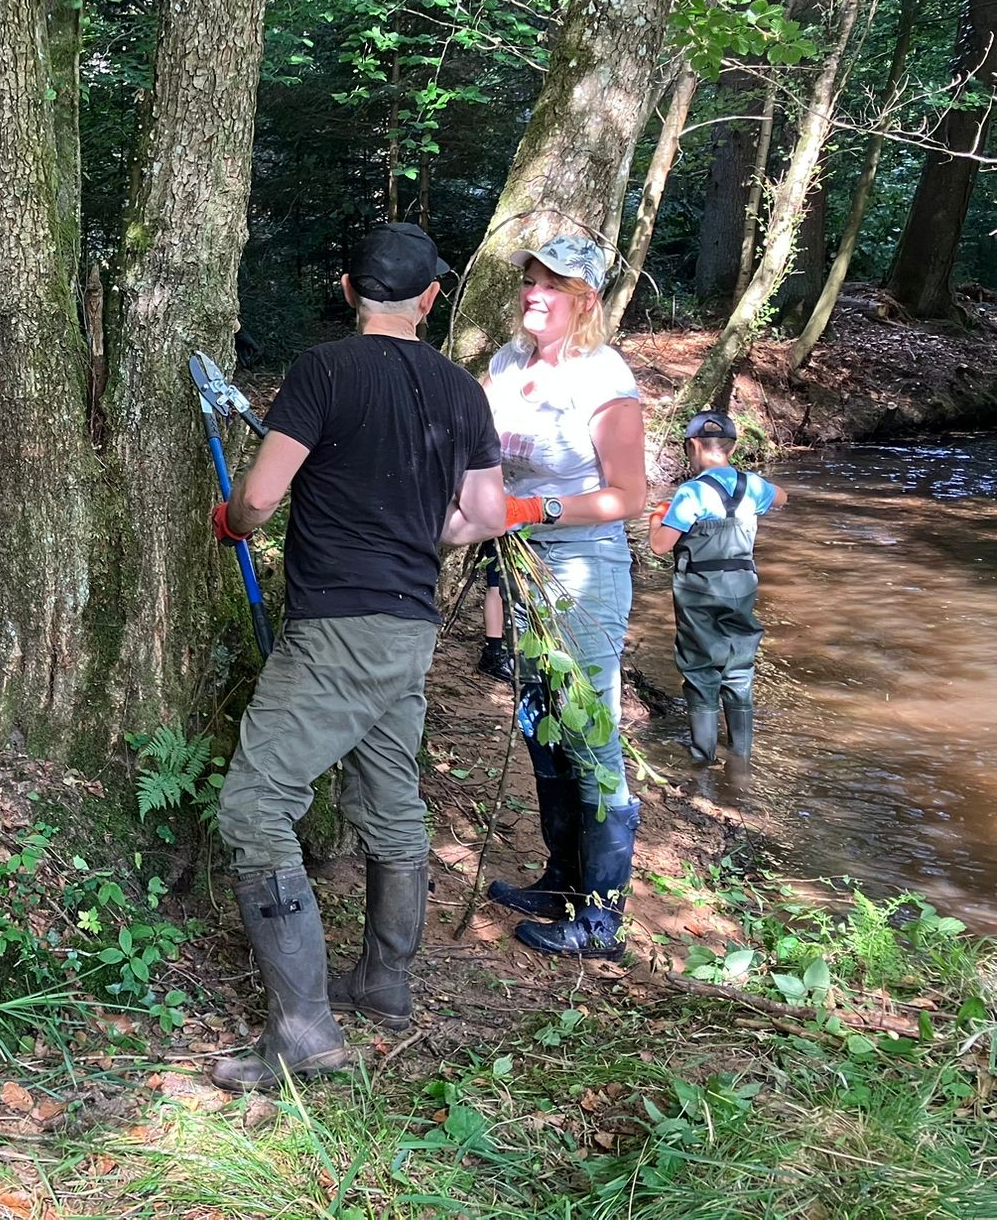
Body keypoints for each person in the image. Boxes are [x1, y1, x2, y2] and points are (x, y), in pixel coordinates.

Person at [207, 222, 506, 1093]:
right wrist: (416, 533)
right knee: (389, 797)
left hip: (337, 624)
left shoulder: (323, 371)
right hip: (410, 628)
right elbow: (486, 515)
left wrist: (231, 519)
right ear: (431, 298)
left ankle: (304, 1032)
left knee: (255, 806)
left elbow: (261, 497)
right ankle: (383, 981)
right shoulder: (461, 390)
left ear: (347, 289)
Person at [480, 235, 648, 961]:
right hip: (519, 566)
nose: (534, 293)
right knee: (540, 720)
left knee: (588, 730)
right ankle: (561, 881)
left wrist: (535, 509)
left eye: (554, 284)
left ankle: (601, 919)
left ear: (586, 300)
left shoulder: (603, 376)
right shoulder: (508, 363)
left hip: (583, 570)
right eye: (531, 279)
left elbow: (630, 496)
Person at [648, 411, 786, 765]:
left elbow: (660, 545)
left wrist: (657, 517)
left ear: (693, 446)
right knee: (739, 665)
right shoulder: (752, 485)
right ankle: (741, 757)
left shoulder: (691, 492)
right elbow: (782, 498)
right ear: (733, 448)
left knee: (700, 667)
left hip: (699, 591)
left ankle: (702, 756)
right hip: (742, 587)